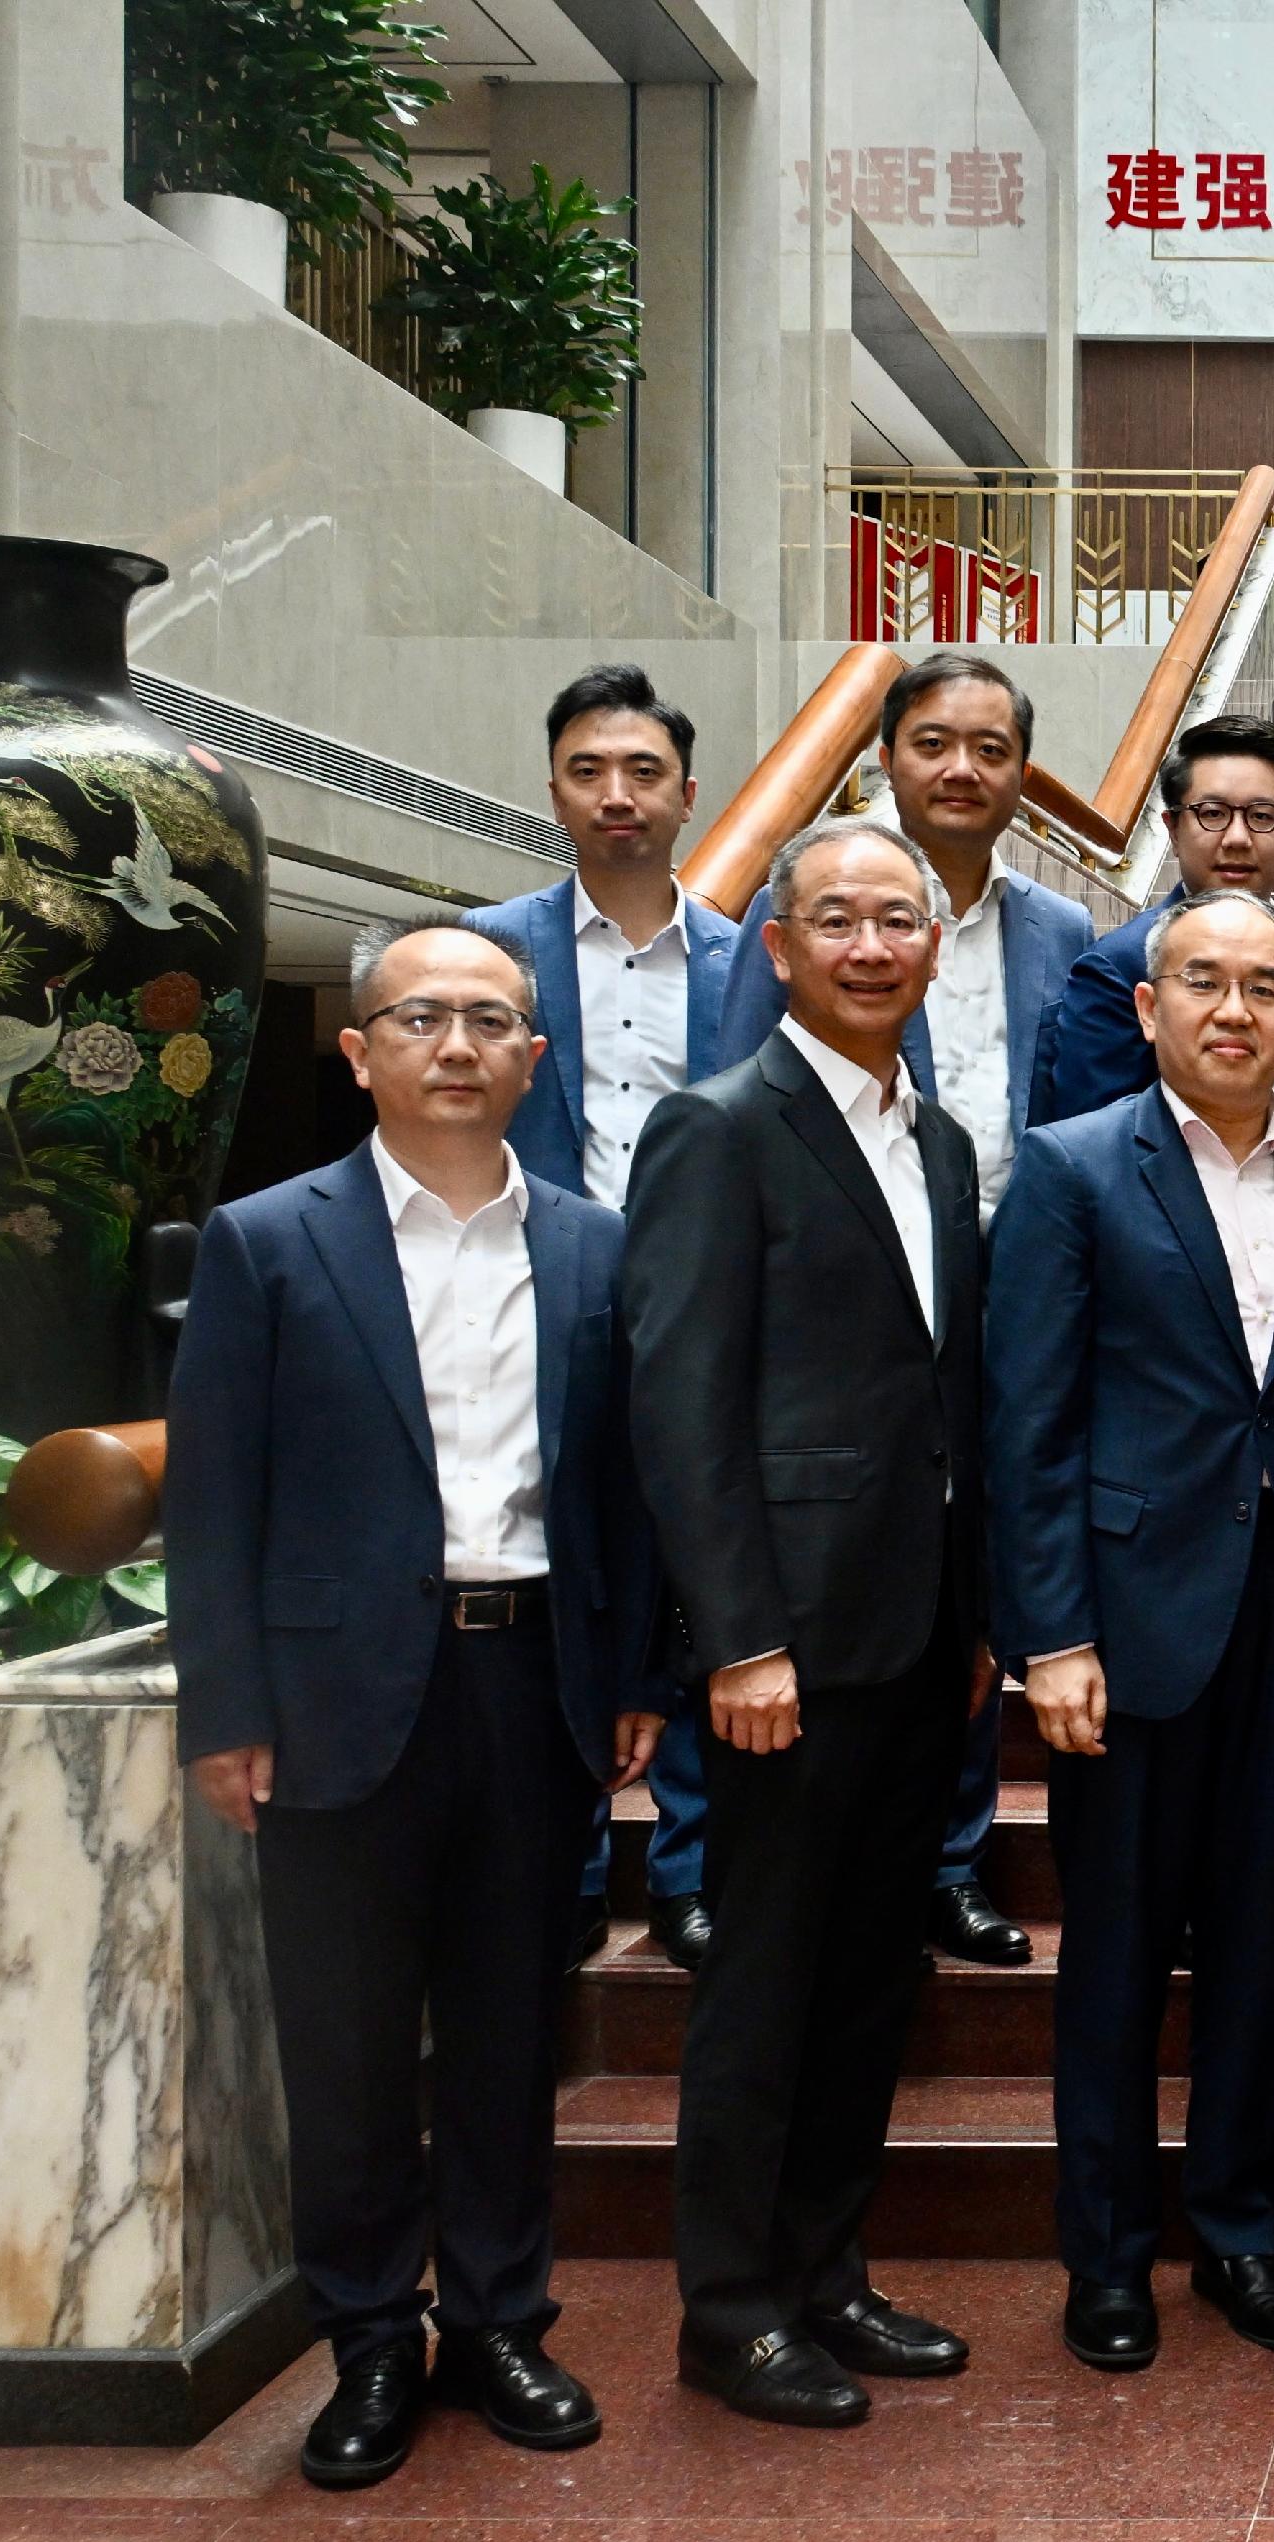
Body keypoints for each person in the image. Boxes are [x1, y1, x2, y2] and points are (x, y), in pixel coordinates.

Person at [169, 925, 666, 2490]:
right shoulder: (264, 1239)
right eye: (423, 1016)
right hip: (332, 1693)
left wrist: (635, 1670)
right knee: (351, 2035)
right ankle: (373, 2334)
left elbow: (626, 1488)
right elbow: (214, 1500)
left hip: (532, 1678)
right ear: (360, 1048)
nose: (458, 1043)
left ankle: (502, 2315)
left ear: (536, 1056)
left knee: (516, 2025)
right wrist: (223, 1706)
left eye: (492, 1020)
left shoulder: (592, 1242)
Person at [623, 816, 994, 2431]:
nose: (868, 945)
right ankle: (731, 2308)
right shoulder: (719, 1128)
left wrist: (979, 1615)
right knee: (764, 1981)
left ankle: (829, 2270)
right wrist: (738, 1637)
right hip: (788, 1650)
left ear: (934, 947)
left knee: (866, 1977)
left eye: (895, 920)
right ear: (777, 947)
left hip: (919, 1638)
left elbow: (946, 1398)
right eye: (833, 918)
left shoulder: (948, 1143)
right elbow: (683, 1400)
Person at [991, 888, 1274, 2374]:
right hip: (1129, 1623)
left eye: (1263, 984)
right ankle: (1109, 2252)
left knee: (1262, 1945)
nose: (1232, 1007)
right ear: (1146, 1009)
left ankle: (1240, 2231)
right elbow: (1028, 1418)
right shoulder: (1075, 1167)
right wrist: (1050, 1633)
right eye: (1199, 980)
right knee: (1120, 1955)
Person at [716, 653, 1097, 1977]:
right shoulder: (823, 903)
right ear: (885, 757)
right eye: (934, 741)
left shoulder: (1066, 934)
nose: (963, 768)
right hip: (848, 1277)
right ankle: (740, 1855)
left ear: (1021, 772)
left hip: (1009, 1275)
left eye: (992, 747)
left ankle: (950, 1857)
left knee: (969, 1558)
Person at [460, 665, 742, 1976]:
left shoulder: (755, 961)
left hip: (711, 1310)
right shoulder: (489, 953)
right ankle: (567, 1866)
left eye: (643, 772)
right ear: (555, 787)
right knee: (558, 1578)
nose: (617, 794)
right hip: (535, 1303)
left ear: (689, 794)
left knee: (697, 1585)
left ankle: (687, 1869)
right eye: (589, 770)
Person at [1029, 714, 1274, 1127]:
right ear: (1173, 828)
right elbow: (1091, 1140)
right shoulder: (1119, 965)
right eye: (1211, 813)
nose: (1237, 837)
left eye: (1262, 816)